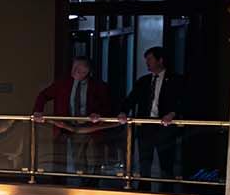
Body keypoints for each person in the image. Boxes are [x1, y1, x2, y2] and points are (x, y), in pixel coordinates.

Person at [31, 57, 112, 179]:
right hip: (66, 126)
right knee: (74, 158)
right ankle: (71, 181)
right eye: (74, 68)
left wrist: (98, 114)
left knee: (95, 157)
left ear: (87, 71)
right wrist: (38, 111)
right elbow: (43, 95)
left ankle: (92, 184)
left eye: (79, 69)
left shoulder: (98, 86)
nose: (74, 71)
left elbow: (108, 105)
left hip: (91, 127)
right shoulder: (63, 83)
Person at [122, 46, 188, 186]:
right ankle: (143, 191)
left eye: (150, 59)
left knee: (166, 164)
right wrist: (123, 112)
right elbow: (131, 99)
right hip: (145, 126)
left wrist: (172, 113)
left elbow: (183, 101)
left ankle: (166, 193)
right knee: (144, 164)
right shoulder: (143, 81)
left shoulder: (176, 80)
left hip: (165, 127)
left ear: (160, 60)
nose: (147, 62)